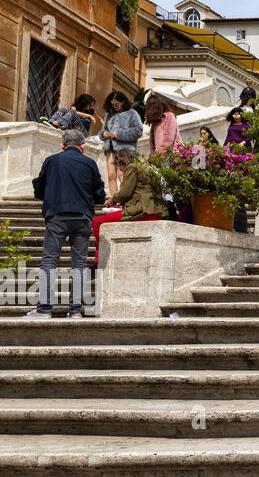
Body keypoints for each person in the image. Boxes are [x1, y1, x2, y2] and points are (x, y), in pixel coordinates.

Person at [29, 129, 105, 317]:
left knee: (49, 260)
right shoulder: (90, 163)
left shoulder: (52, 161)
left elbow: (39, 188)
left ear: (62, 145)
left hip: (57, 216)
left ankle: (44, 309)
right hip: (82, 217)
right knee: (78, 263)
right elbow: (100, 195)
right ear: (83, 146)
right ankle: (75, 310)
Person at [90, 155, 167, 267]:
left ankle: (99, 259)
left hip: (143, 212)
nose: (120, 170)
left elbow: (124, 193)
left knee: (97, 222)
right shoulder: (146, 168)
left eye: (118, 167)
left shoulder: (131, 168)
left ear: (121, 162)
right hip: (154, 211)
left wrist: (112, 199)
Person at [100, 91, 142, 199]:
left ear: (123, 102)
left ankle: (125, 201)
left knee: (122, 175)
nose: (114, 107)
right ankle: (114, 200)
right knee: (110, 175)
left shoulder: (132, 113)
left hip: (125, 149)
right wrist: (103, 134)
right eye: (112, 104)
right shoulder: (109, 114)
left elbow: (138, 131)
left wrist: (118, 134)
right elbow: (102, 131)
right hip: (110, 148)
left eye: (116, 104)